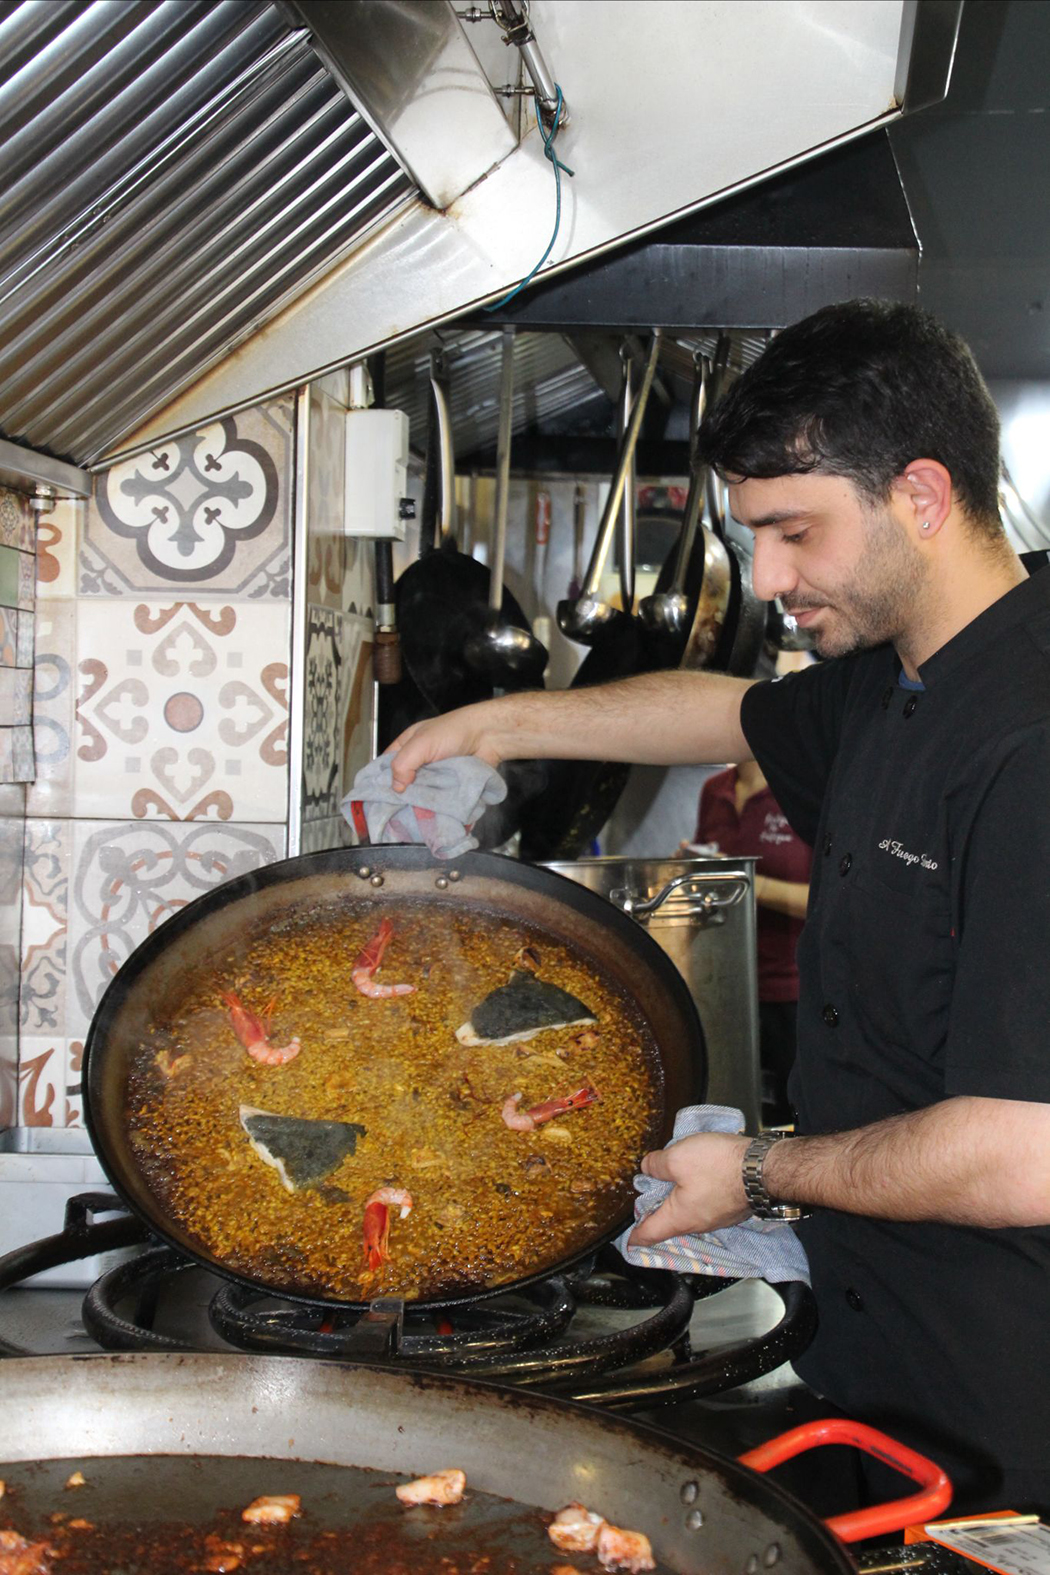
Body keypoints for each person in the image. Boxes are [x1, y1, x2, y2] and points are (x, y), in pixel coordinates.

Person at [387, 299, 1050, 1513]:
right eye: (755, 538)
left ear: (919, 494)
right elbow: (725, 711)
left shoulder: (1031, 739)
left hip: (1012, 1412)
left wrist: (757, 1173)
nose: (773, 579)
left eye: (795, 533)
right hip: (876, 1363)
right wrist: (494, 723)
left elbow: (1029, 1153)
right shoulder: (890, 678)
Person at [688, 758, 812, 1125]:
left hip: (793, 986)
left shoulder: (803, 786)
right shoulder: (715, 788)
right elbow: (712, 866)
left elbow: (831, 899)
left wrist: (749, 883)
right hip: (726, 983)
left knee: (800, 1116)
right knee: (732, 1110)